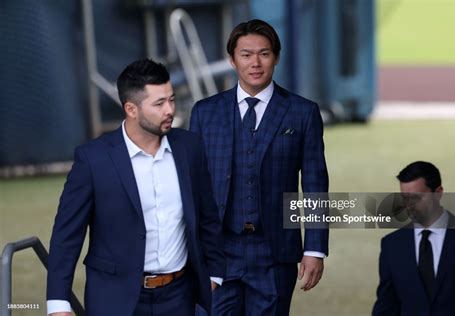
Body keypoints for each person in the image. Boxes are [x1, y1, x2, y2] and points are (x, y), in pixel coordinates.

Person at [46, 59, 225, 316]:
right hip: (114, 298)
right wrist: (58, 302)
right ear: (131, 109)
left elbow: (208, 215)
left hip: (179, 297)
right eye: (159, 103)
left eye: (171, 99)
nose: (170, 110)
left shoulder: (190, 147)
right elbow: (67, 235)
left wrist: (215, 273)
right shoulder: (93, 159)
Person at [189, 19, 329, 315]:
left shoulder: (303, 112)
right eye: (246, 54)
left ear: (276, 57)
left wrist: (314, 249)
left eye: (264, 54)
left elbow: (315, 184)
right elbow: (192, 187)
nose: (255, 63)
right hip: (217, 253)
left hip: (274, 253)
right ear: (231, 59)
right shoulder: (205, 113)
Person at [373, 161, 455, 316]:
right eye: (404, 198)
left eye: (416, 197)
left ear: (438, 192)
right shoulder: (392, 246)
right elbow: (386, 307)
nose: (409, 205)